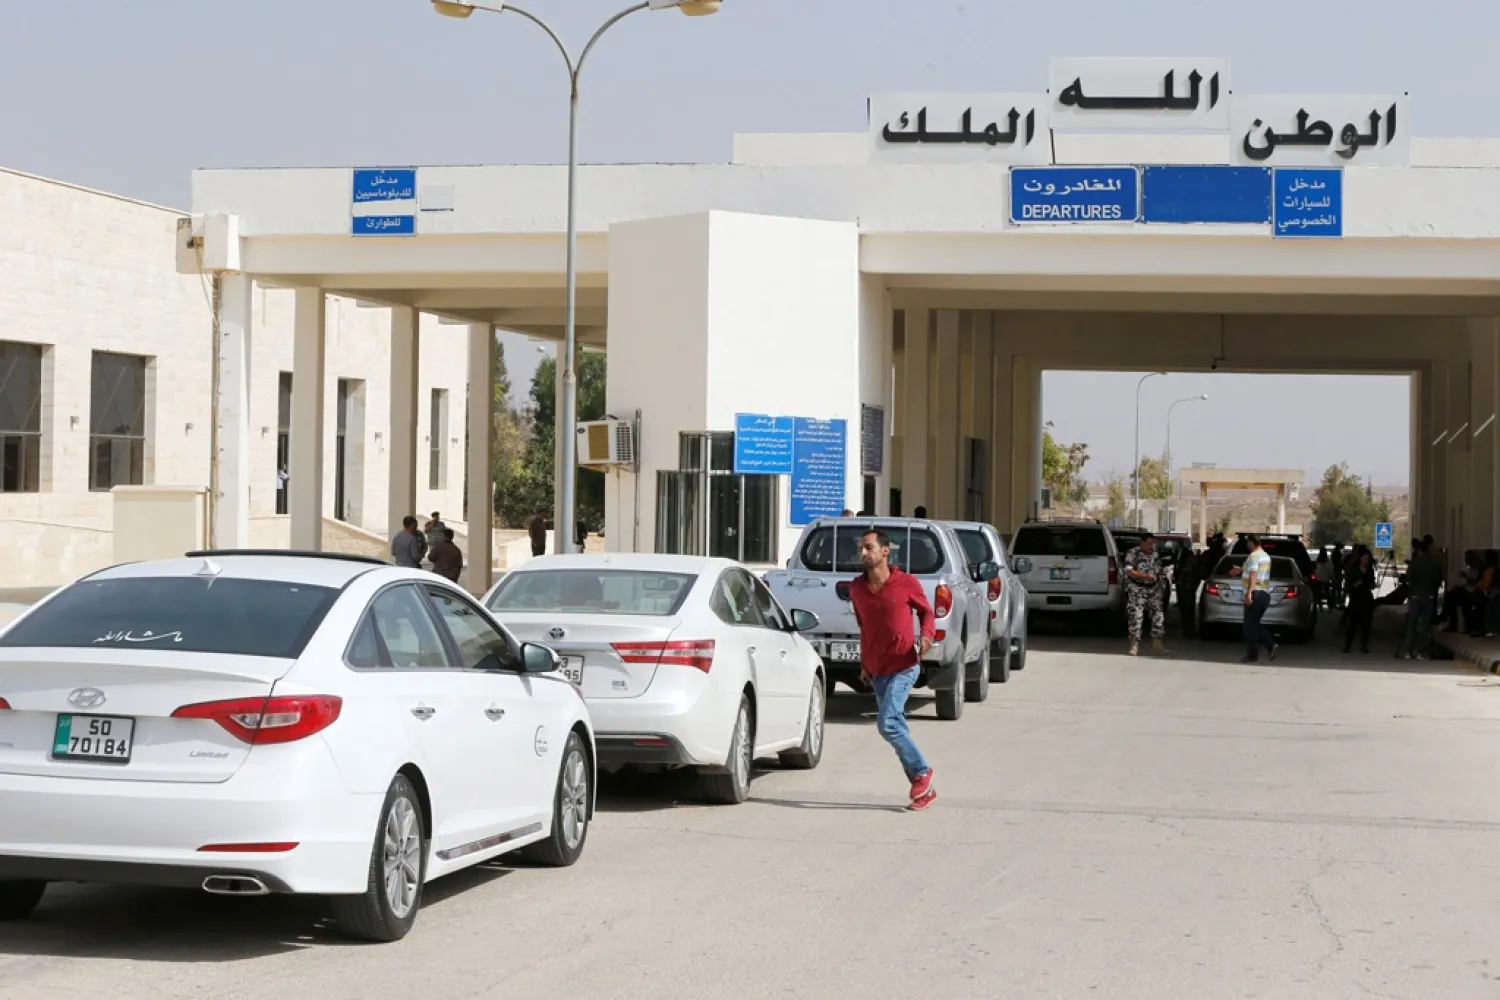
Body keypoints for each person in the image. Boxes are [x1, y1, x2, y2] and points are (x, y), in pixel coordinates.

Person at [847, 528, 938, 811]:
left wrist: (925, 638)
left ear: (885, 551)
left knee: (887, 723)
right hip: (877, 668)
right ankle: (924, 789)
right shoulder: (857, 588)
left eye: (869, 548)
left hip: (904, 664)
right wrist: (865, 661)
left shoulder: (906, 583)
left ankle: (922, 772)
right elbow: (865, 626)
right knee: (896, 727)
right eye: (861, 548)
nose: (863, 553)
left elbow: (927, 613)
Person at [1123, 533, 1168, 656]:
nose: (1151, 546)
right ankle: (1134, 646)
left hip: (1153, 589)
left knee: (1158, 616)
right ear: (1142, 543)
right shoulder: (1133, 553)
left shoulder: (1155, 554)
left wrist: (1161, 586)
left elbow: (1159, 571)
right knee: (1135, 616)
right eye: (1149, 543)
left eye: (1153, 543)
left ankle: (1157, 645)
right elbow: (1128, 571)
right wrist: (1144, 577)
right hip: (1137, 588)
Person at [1397, 538, 1440, 660]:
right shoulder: (1433, 563)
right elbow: (1437, 580)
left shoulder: (1414, 563)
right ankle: (1419, 650)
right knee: (1424, 625)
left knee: (1412, 624)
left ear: (1418, 550)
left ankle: (1406, 650)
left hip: (1415, 597)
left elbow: (1408, 580)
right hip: (1429, 597)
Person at [1239, 534, 1279, 664]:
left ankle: (1252, 655)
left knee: (1249, 626)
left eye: (1248, 543)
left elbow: (1254, 574)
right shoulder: (1265, 556)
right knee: (1254, 624)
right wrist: (1240, 570)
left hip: (1255, 593)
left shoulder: (1253, 556)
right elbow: (1254, 571)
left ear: (1251, 543)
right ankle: (1271, 645)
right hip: (1264, 594)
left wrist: (1249, 593)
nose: (1247, 545)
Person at [1344, 548, 1376, 653]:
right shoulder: (1354, 569)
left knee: (1367, 624)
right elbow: (1348, 584)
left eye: (1368, 558)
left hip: (1367, 599)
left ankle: (1364, 645)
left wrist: (1371, 584)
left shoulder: (1370, 570)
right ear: (1360, 558)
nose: (1366, 560)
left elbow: (1372, 582)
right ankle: (1347, 645)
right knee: (1352, 624)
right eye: (1365, 558)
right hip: (1356, 599)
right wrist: (1354, 585)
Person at [1175, 544, 1201, 639]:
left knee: (1187, 612)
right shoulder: (1187, 567)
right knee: (1187, 613)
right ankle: (1188, 632)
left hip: (1187, 591)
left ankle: (1188, 631)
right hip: (1186, 591)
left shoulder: (1185, 566)